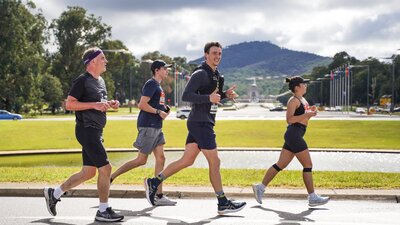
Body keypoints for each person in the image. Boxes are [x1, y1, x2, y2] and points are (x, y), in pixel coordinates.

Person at [144, 42, 246, 215]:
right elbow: (187, 96)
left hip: (203, 121)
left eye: (220, 53)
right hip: (200, 123)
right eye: (214, 53)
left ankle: (154, 182)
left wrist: (226, 96)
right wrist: (209, 98)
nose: (217, 56)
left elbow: (215, 98)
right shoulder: (200, 74)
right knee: (215, 161)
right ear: (206, 55)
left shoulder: (217, 76)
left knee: (187, 160)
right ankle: (222, 202)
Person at [44, 47, 124, 222]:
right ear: (92, 62)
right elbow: (70, 104)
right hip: (86, 129)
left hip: (96, 130)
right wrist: (94, 105)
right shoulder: (82, 81)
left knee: (88, 172)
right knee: (106, 168)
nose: (106, 61)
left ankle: (54, 193)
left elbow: (98, 102)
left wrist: (110, 104)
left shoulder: (101, 81)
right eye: (103, 58)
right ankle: (103, 210)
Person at [252, 76, 330, 207]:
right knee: (308, 165)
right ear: (297, 87)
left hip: (296, 133)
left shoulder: (302, 99)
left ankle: (260, 187)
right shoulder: (293, 100)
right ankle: (312, 197)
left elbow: (303, 120)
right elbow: (290, 119)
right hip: (294, 134)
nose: (306, 86)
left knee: (280, 165)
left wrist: (310, 114)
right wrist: (307, 114)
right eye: (304, 84)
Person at [110, 59, 176, 206]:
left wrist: (164, 109)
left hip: (156, 126)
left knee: (161, 159)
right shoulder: (151, 84)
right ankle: (111, 177)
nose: (167, 71)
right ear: (157, 70)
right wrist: (159, 111)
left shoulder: (158, 86)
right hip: (148, 126)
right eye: (165, 69)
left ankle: (158, 194)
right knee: (141, 160)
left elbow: (154, 104)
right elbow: (142, 104)